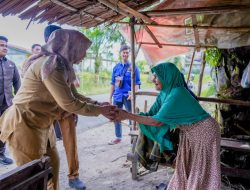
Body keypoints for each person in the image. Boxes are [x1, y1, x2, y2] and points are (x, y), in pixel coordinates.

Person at [0, 29, 115, 190]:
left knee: (52, 168)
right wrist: (100, 111)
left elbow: (74, 94)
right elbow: (69, 103)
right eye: (83, 50)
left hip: (43, 125)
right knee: (33, 177)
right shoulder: (52, 65)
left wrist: (99, 104)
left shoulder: (63, 65)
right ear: (70, 47)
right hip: (24, 124)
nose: (85, 55)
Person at [116, 63, 221, 190]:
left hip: (204, 131)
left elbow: (157, 122)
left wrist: (127, 115)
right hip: (189, 133)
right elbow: (151, 114)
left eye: (156, 76)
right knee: (186, 167)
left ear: (167, 77)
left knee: (200, 170)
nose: (153, 80)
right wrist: (130, 115)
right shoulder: (165, 94)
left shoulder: (177, 93)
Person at [109, 44, 141, 145]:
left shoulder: (134, 67)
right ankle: (118, 137)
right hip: (117, 96)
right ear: (120, 53)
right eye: (124, 52)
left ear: (129, 54)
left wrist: (133, 93)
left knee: (131, 117)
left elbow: (137, 84)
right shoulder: (116, 68)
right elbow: (113, 84)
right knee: (116, 116)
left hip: (128, 96)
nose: (125, 54)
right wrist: (110, 97)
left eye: (127, 52)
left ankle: (133, 138)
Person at [0, 35, 21, 165]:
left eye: (6, 46)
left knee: (4, 129)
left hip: (7, 104)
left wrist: (19, 102)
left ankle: (1, 154)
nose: (5, 48)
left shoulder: (11, 64)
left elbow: (17, 84)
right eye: (2, 45)